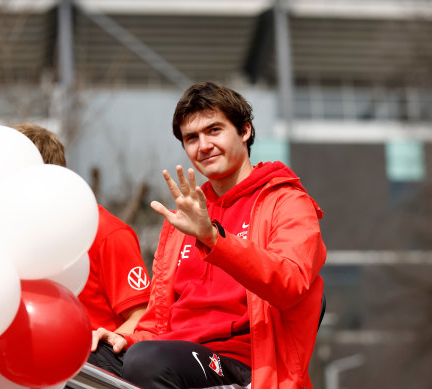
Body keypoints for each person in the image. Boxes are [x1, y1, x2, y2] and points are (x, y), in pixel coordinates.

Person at [89, 82, 326, 389]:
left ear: (245, 131)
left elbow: (290, 284)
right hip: (171, 355)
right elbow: (158, 320)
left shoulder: (286, 201)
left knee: (148, 361)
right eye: (191, 138)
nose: (203, 146)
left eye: (214, 131)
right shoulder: (186, 216)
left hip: (239, 366)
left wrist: (214, 239)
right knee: (79, 360)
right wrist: (123, 337)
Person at [12, 123, 150, 333]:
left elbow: (142, 319)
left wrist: (100, 342)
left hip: (89, 359)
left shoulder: (108, 232)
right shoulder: (2, 232)